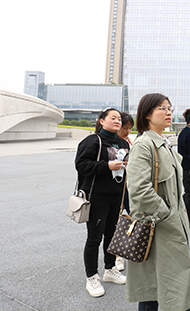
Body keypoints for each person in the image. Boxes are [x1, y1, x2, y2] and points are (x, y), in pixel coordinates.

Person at [125, 93, 190, 311]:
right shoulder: (144, 145)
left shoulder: (164, 144)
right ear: (147, 114)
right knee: (153, 289)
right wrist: (168, 215)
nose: (168, 112)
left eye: (169, 107)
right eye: (161, 108)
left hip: (169, 227)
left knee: (168, 286)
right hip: (158, 227)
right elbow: (139, 189)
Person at [74, 108, 129, 298]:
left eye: (119, 118)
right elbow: (81, 165)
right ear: (101, 121)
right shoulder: (93, 141)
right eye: (113, 118)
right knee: (94, 238)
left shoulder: (123, 143)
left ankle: (110, 269)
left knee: (112, 235)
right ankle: (91, 277)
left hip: (116, 196)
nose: (117, 121)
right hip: (97, 197)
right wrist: (106, 166)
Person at [115, 111, 135, 271]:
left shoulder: (129, 142)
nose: (127, 131)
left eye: (130, 128)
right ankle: (117, 256)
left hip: (129, 186)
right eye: (125, 128)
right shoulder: (112, 143)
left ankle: (125, 249)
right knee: (116, 221)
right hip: (116, 186)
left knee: (130, 218)